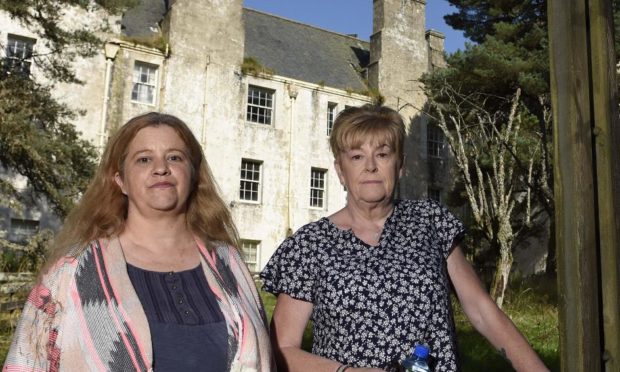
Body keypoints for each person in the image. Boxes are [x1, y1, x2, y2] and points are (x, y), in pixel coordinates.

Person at [260, 104, 549, 372]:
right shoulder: (309, 245)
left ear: (400, 166)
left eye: (382, 154)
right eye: (357, 156)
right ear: (340, 170)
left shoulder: (430, 221)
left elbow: (482, 310)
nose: (370, 166)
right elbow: (282, 349)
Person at [4, 112, 273, 371]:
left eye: (175, 157)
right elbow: (26, 362)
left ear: (193, 175)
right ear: (120, 180)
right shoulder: (73, 271)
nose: (161, 169)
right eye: (144, 159)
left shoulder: (229, 263)